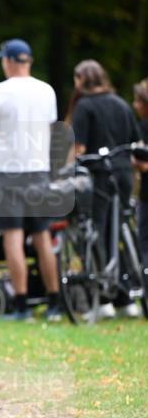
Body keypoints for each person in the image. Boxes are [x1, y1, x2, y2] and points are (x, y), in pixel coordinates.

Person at [0, 38, 62, 322]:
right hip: (38, 169)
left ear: (10, 61)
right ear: (29, 61)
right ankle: (54, 303)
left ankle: (22, 304)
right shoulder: (46, 90)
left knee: (13, 237)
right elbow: (49, 128)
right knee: (42, 237)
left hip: (6, 171)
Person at [67, 59, 141, 318]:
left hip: (96, 176)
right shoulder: (120, 104)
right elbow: (136, 143)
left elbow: (79, 149)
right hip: (123, 174)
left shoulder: (84, 106)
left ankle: (102, 298)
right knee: (118, 231)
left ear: (80, 80)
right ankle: (124, 296)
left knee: (93, 233)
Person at [132, 79, 148, 275]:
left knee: (144, 242)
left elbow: (140, 161)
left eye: (138, 101)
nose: (134, 105)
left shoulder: (143, 125)